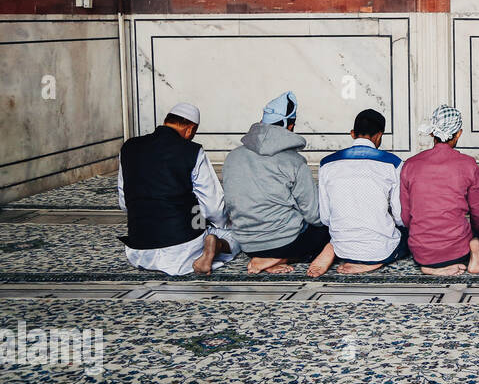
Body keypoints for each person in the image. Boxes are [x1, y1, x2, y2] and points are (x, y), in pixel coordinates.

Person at [116, 102, 240, 276]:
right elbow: (213, 207)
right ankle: (215, 246)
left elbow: (124, 202)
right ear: (190, 129)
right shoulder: (192, 151)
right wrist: (222, 225)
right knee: (236, 235)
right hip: (182, 249)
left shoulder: (129, 147)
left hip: (139, 250)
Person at [224, 91, 334, 275]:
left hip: (247, 244)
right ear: (289, 126)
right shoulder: (294, 162)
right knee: (330, 230)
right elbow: (314, 216)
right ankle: (278, 258)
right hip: (285, 243)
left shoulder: (233, 156)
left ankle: (267, 259)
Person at [401, 105, 479, 275]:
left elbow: (406, 217)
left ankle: (430, 268)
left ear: (432, 133)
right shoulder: (468, 164)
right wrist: (478, 233)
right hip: (458, 250)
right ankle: (475, 250)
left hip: (421, 252)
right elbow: (478, 213)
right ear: (458, 134)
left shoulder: (410, 165)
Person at [316, 109, 406, 275]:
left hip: (342, 245)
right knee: (407, 235)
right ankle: (372, 261)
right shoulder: (393, 164)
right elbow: (400, 217)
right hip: (379, 248)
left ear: (352, 134)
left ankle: (332, 248)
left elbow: (325, 218)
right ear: (379, 135)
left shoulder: (326, 164)